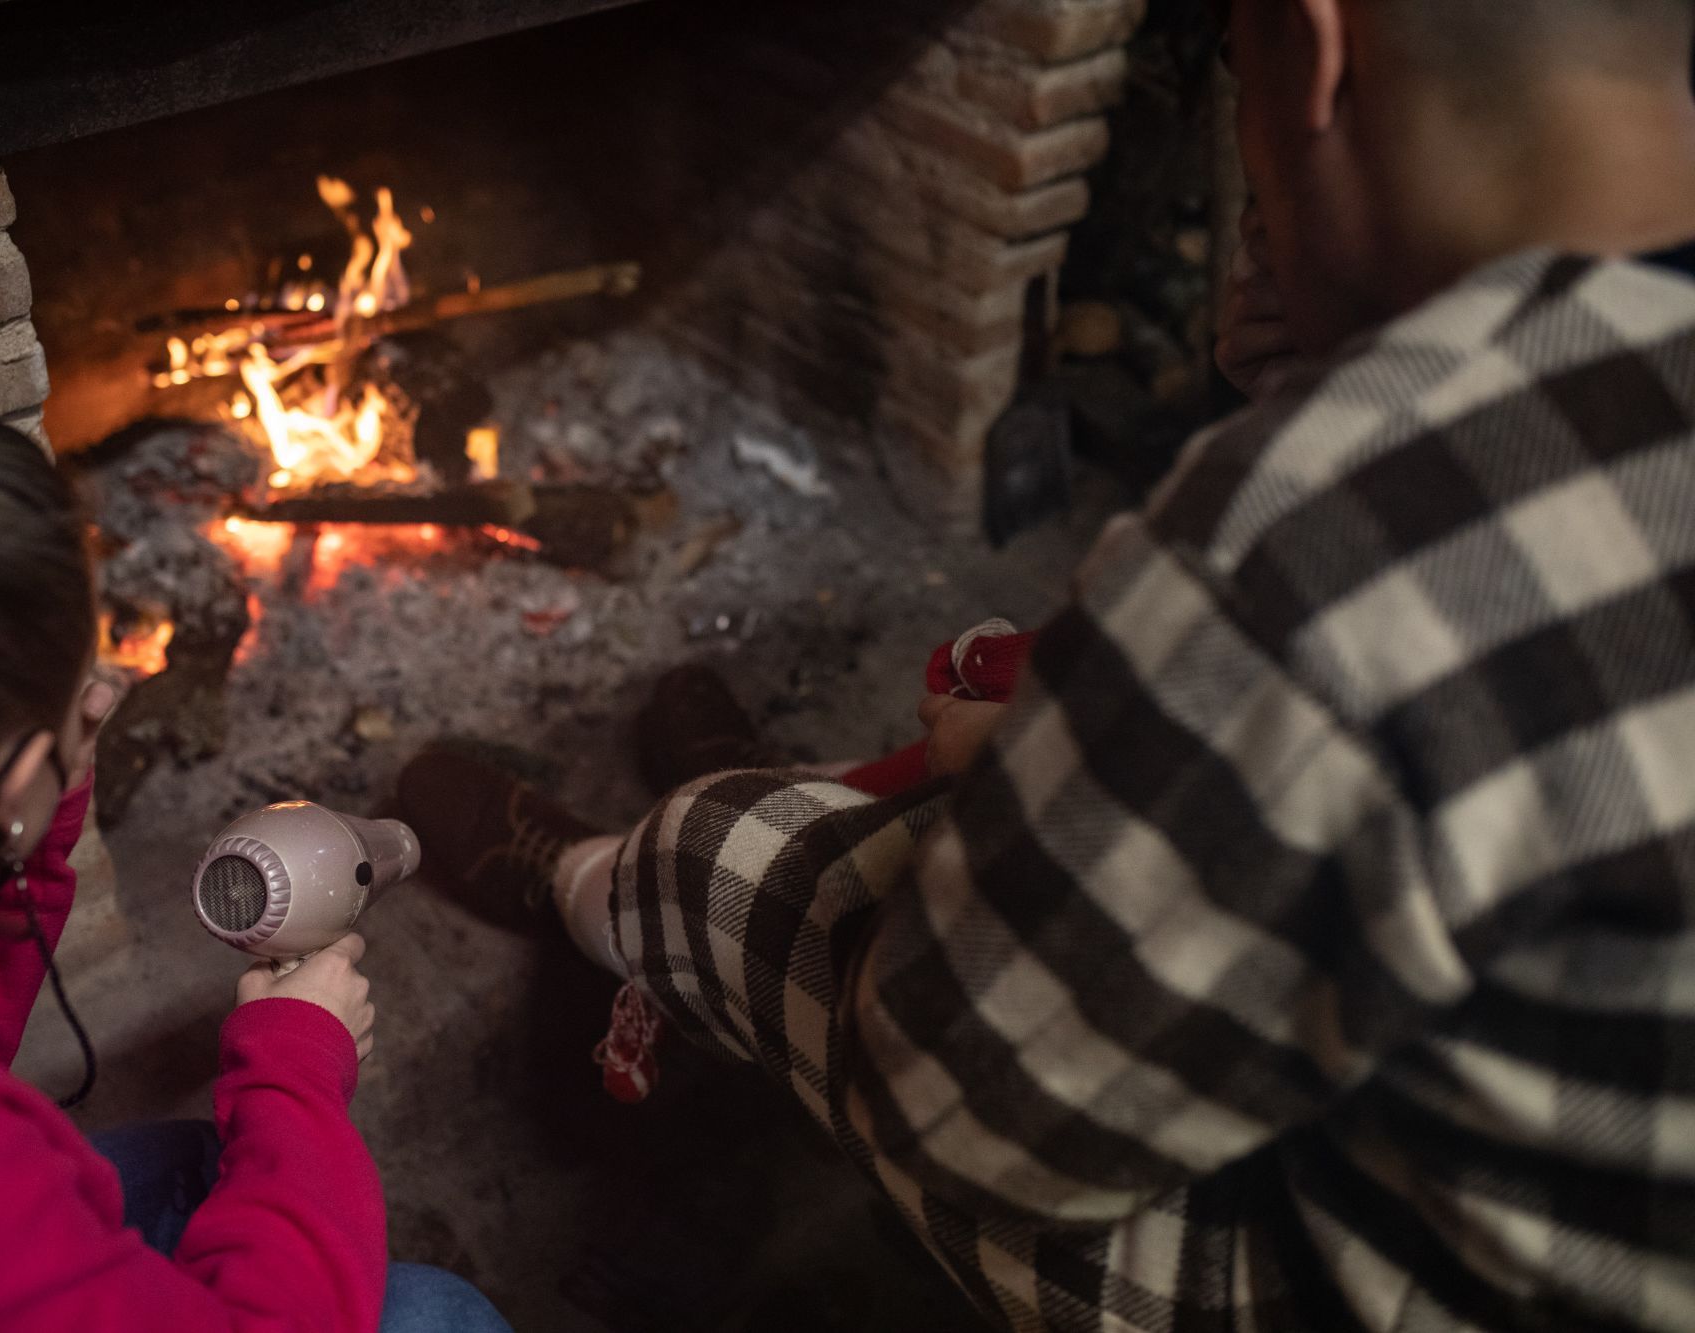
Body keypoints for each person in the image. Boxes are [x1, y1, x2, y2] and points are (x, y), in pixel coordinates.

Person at [398, 0, 1695, 1327]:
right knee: (1048, 733)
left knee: (730, 851)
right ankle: (869, 825)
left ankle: (588, 884)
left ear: (1315, 48)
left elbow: (949, 1111)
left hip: (1375, 1284)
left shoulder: (1335, 529)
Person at [0, 394, 509, 1332]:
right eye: (71, 690)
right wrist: (295, 1070)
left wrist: (29, 822)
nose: (107, 694)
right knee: (438, 1312)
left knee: (199, 1161)